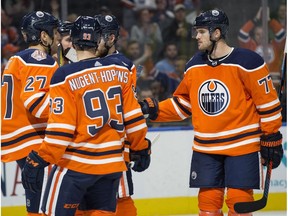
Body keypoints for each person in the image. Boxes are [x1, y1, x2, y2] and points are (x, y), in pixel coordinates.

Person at [141, 9, 283, 216]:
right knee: (207, 205)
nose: (196, 36)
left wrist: (271, 136)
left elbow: (268, 104)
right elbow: (184, 104)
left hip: (242, 147)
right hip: (205, 147)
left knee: (239, 204)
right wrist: (154, 109)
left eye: (201, 32)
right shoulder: (194, 65)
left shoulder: (248, 62)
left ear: (216, 33)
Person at [21, 15, 151, 216]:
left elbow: (61, 130)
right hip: (111, 166)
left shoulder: (65, 75)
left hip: (77, 166)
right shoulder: (119, 70)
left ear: (72, 41)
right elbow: (133, 118)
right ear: (98, 40)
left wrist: (40, 157)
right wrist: (141, 147)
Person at [1, 11, 59, 216]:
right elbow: (37, 105)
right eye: (52, 32)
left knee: (35, 202)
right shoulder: (40, 59)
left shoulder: (17, 59)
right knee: (49, 200)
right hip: (32, 136)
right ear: (43, 36)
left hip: (16, 133)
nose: (56, 36)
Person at [238, 6, 286, 93]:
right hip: (256, 89)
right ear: (254, 36)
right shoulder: (251, 47)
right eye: (258, 34)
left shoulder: (275, 46)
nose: (261, 37)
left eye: (264, 34)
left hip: (276, 89)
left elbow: (282, 35)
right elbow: (242, 34)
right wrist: (255, 19)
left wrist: (269, 21)